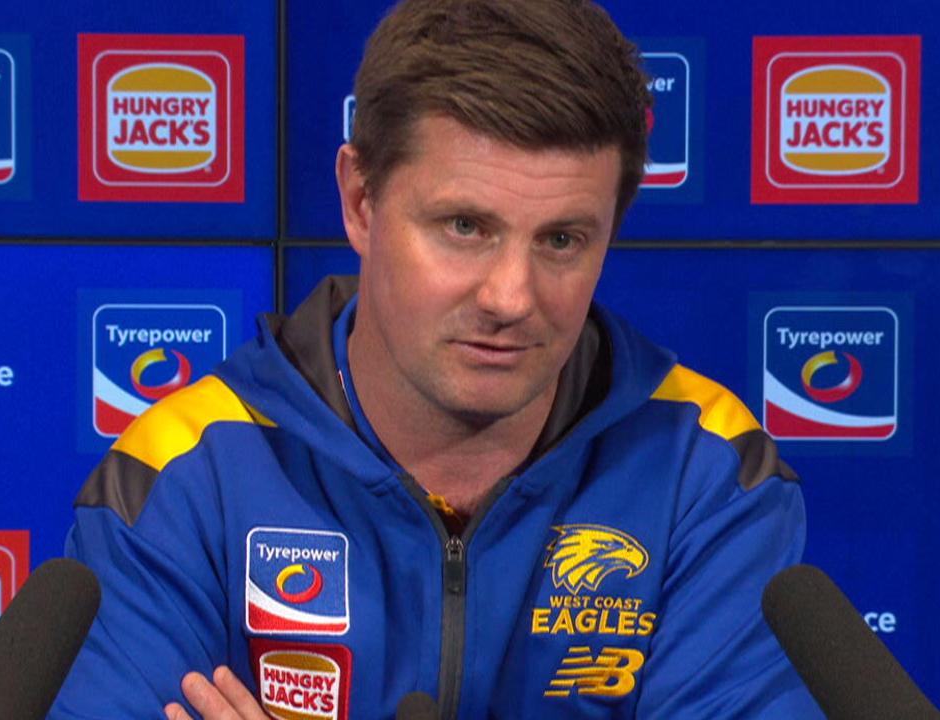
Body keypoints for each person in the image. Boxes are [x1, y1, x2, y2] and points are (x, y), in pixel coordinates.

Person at [50, 0, 823, 717]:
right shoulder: (184, 473)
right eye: (464, 227)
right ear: (361, 202)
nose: (511, 297)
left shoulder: (708, 471)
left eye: (561, 240)